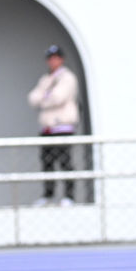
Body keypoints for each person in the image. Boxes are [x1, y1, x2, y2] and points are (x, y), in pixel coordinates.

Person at [27, 44, 80, 206]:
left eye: (56, 58)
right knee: (47, 163)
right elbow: (32, 98)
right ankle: (48, 195)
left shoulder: (67, 77)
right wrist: (46, 97)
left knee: (65, 162)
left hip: (62, 127)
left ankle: (69, 196)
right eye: (50, 58)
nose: (52, 61)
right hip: (47, 129)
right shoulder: (45, 79)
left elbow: (58, 97)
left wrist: (43, 98)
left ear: (61, 59)